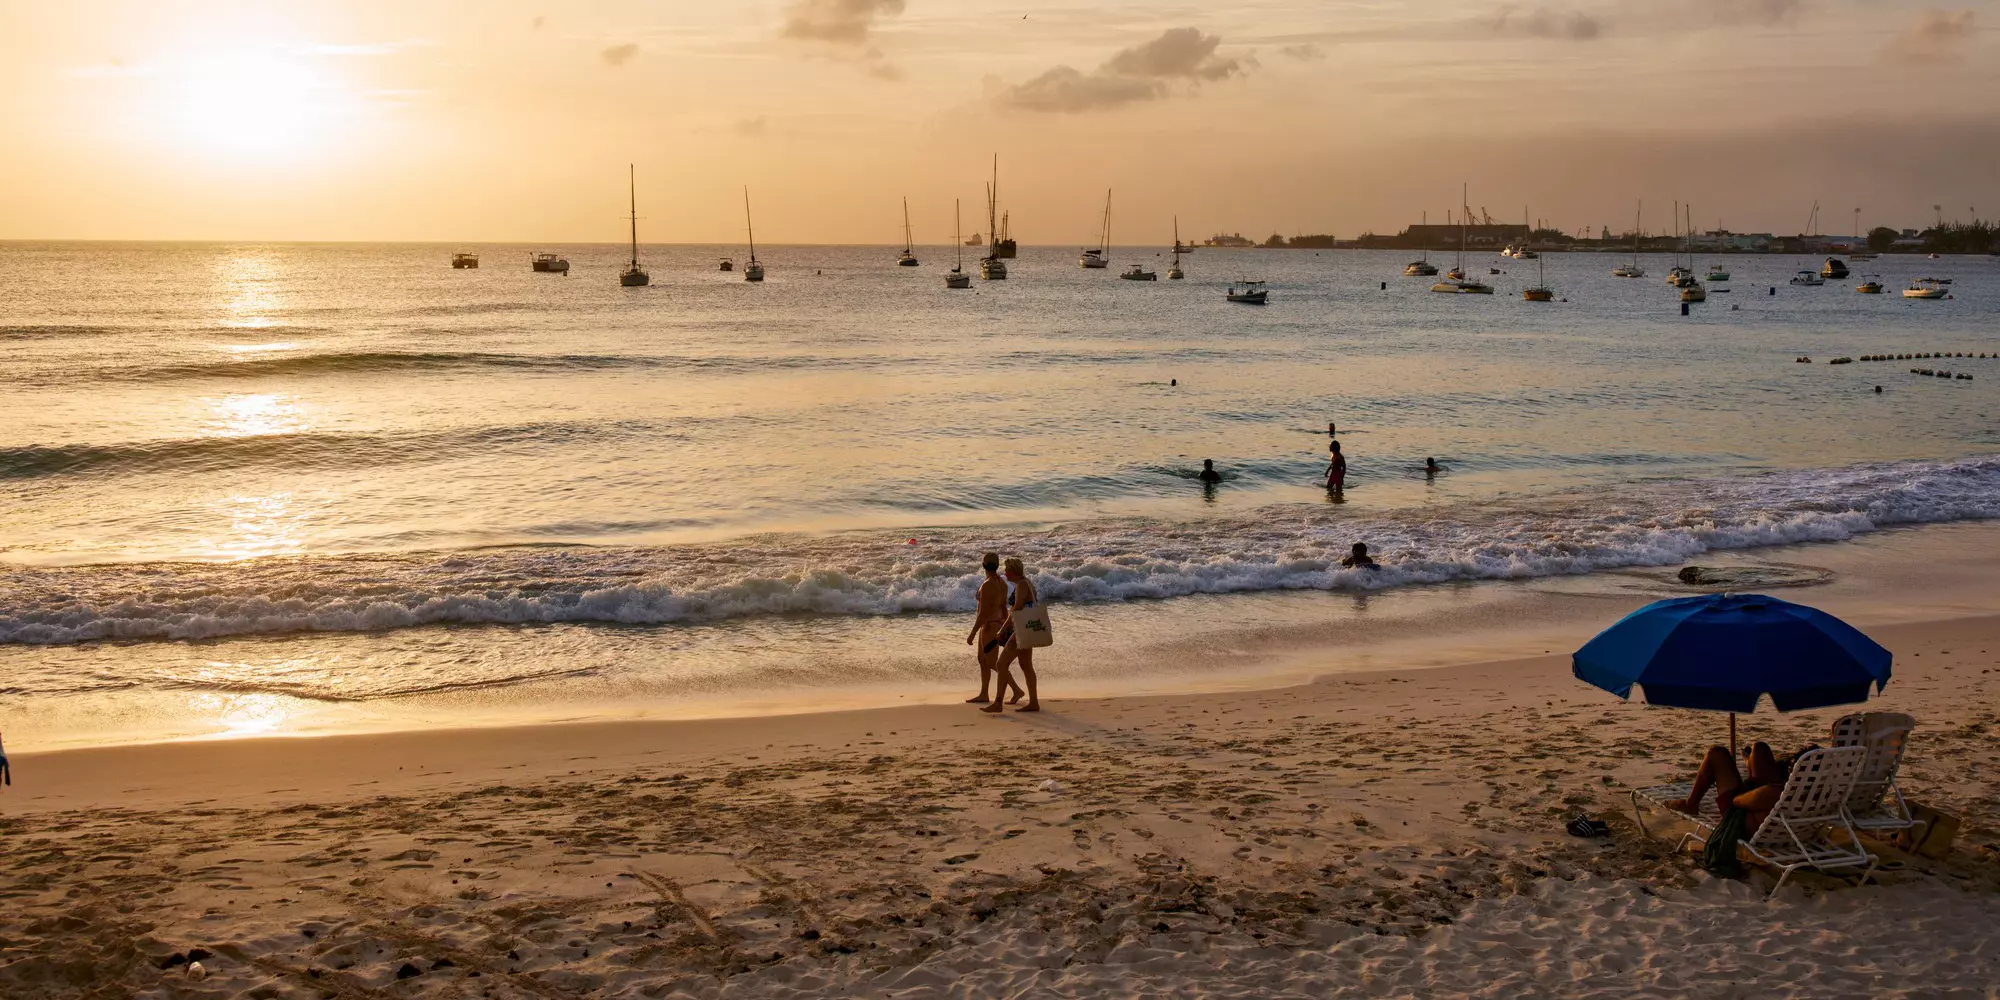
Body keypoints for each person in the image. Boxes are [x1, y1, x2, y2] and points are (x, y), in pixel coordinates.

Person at [1668, 742, 1805, 831]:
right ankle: (1749, 760)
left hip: (1743, 816)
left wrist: (1743, 790)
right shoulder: (1819, 785)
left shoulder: (1776, 791)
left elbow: (1741, 800)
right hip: (1774, 808)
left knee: (1717, 754)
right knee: (1759, 748)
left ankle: (1691, 804)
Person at [983, 558, 1042, 713]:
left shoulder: (1022, 586)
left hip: (1021, 630)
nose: (1005, 573)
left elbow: (1016, 609)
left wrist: (1002, 629)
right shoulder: (1026, 583)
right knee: (1026, 666)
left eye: (1006, 570)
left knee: (1001, 664)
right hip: (1027, 628)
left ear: (1012, 571)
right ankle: (1034, 702)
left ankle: (998, 703)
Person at [964, 552, 1023, 705]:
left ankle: (1016, 689)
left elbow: (983, 613)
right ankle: (984, 693)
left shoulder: (987, 585)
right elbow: (1003, 607)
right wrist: (1005, 625)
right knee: (983, 660)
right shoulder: (1001, 583)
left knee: (992, 663)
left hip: (989, 625)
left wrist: (972, 633)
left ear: (983, 565)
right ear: (997, 566)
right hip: (996, 623)